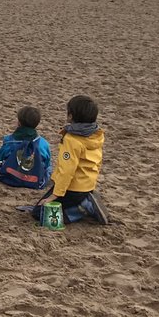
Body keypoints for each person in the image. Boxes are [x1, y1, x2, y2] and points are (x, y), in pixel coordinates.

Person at [30, 95, 110, 225]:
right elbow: (97, 162)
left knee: (40, 213)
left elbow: (66, 170)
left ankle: (84, 207)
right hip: (87, 185)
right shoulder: (96, 135)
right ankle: (85, 199)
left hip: (73, 188)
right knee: (44, 207)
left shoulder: (72, 140)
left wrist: (55, 195)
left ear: (71, 116)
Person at [0, 105, 53, 188]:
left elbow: (1, 157)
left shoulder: (9, 140)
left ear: (19, 123)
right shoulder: (44, 143)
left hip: (11, 176)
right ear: (37, 124)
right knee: (49, 167)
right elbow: (46, 163)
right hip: (35, 179)